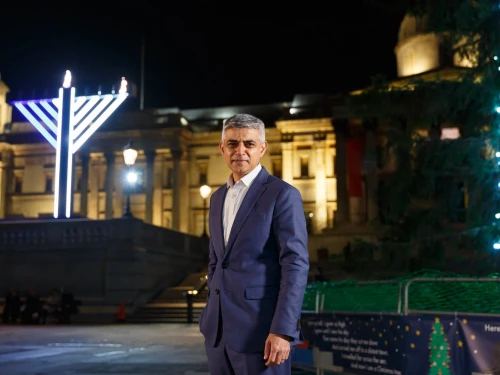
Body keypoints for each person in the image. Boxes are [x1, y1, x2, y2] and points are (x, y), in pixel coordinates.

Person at [199, 114, 310, 375]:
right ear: (222, 148)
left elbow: (295, 265)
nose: (240, 151)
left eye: (248, 144)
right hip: (218, 334)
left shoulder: (282, 194)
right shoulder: (217, 198)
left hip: (262, 334)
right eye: (232, 143)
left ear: (262, 148)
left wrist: (283, 330)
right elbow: (216, 261)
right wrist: (210, 310)